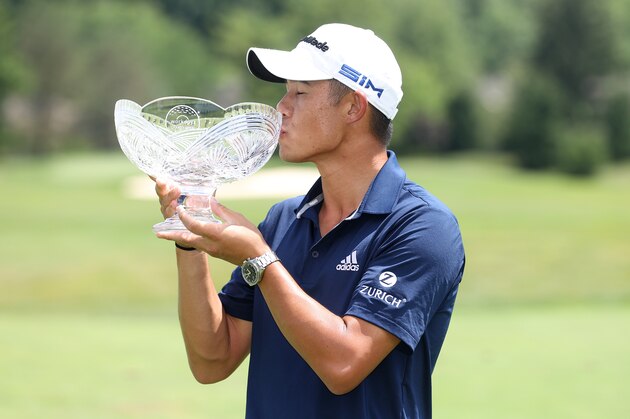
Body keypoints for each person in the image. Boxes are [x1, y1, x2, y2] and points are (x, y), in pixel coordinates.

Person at [154, 23, 465, 419]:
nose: (282, 107)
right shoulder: (284, 220)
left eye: (300, 92)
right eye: (286, 92)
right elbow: (212, 361)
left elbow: (344, 364)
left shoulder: (423, 226)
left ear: (354, 106)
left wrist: (260, 260)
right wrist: (189, 235)